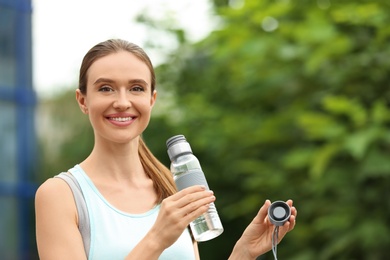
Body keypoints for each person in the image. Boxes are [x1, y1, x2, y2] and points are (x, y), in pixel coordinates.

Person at [35, 39, 297, 260]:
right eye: (106, 88)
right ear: (83, 100)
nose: (123, 102)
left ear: (152, 99)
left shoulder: (172, 186)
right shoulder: (61, 195)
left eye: (136, 88)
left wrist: (243, 254)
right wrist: (157, 239)